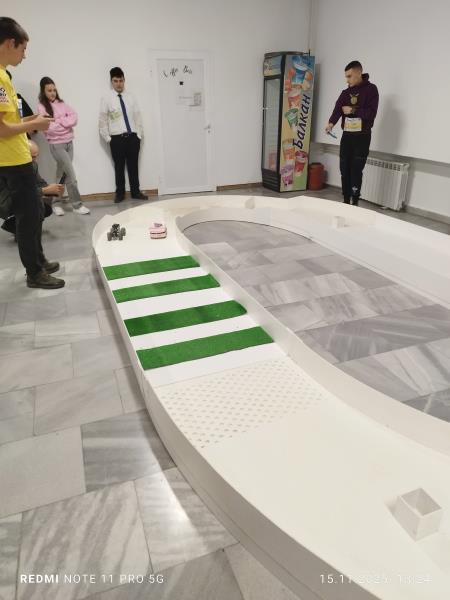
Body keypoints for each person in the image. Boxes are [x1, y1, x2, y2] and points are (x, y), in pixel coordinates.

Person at [0, 16, 64, 289]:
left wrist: (31, 121)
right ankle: (34, 273)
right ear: (10, 43)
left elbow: (10, 121)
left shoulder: (4, 75)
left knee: (36, 211)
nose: (25, 55)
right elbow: (2, 129)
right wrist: (34, 125)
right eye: (23, 48)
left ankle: (39, 261)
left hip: (18, 156)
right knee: (28, 217)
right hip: (11, 160)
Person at [325, 60, 379, 206]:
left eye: (349, 76)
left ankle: (354, 201)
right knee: (344, 169)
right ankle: (345, 200)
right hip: (347, 136)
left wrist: (353, 110)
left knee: (356, 170)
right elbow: (337, 110)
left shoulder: (371, 90)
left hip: (362, 137)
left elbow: (371, 114)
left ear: (359, 73)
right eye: (346, 77)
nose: (347, 80)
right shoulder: (345, 93)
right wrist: (330, 124)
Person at [38, 76, 90, 215]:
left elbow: (74, 117)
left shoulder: (62, 104)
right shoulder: (42, 107)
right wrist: (65, 123)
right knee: (71, 175)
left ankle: (55, 203)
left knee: (62, 173)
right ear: (43, 91)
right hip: (56, 145)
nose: (52, 93)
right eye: (49, 90)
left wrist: (59, 121)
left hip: (69, 142)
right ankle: (77, 205)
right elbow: (49, 128)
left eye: (54, 90)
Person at [99, 67, 147, 203]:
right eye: (115, 81)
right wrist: (108, 139)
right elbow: (102, 120)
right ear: (112, 82)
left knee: (133, 166)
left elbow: (137, 117)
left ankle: (135, 192)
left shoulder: (131, 97)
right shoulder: (106, 98)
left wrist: (139, 135)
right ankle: (120, 193)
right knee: (119, 167)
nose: (119, 84)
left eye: (121, 80)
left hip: (132, 138)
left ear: (124, 80)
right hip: (117, 139)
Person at [1, 140, 63, 242]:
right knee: (35, 205)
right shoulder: (13, 168)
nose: (35, 160)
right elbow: (21, 192)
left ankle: (16, 225)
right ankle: (18, 228)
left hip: (19, 198)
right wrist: (44, 190)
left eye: (36, 156)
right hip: (6, 201)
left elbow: (40, 182)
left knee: (45, 208)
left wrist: (52, 188)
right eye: (32, 157)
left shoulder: (33, 165)